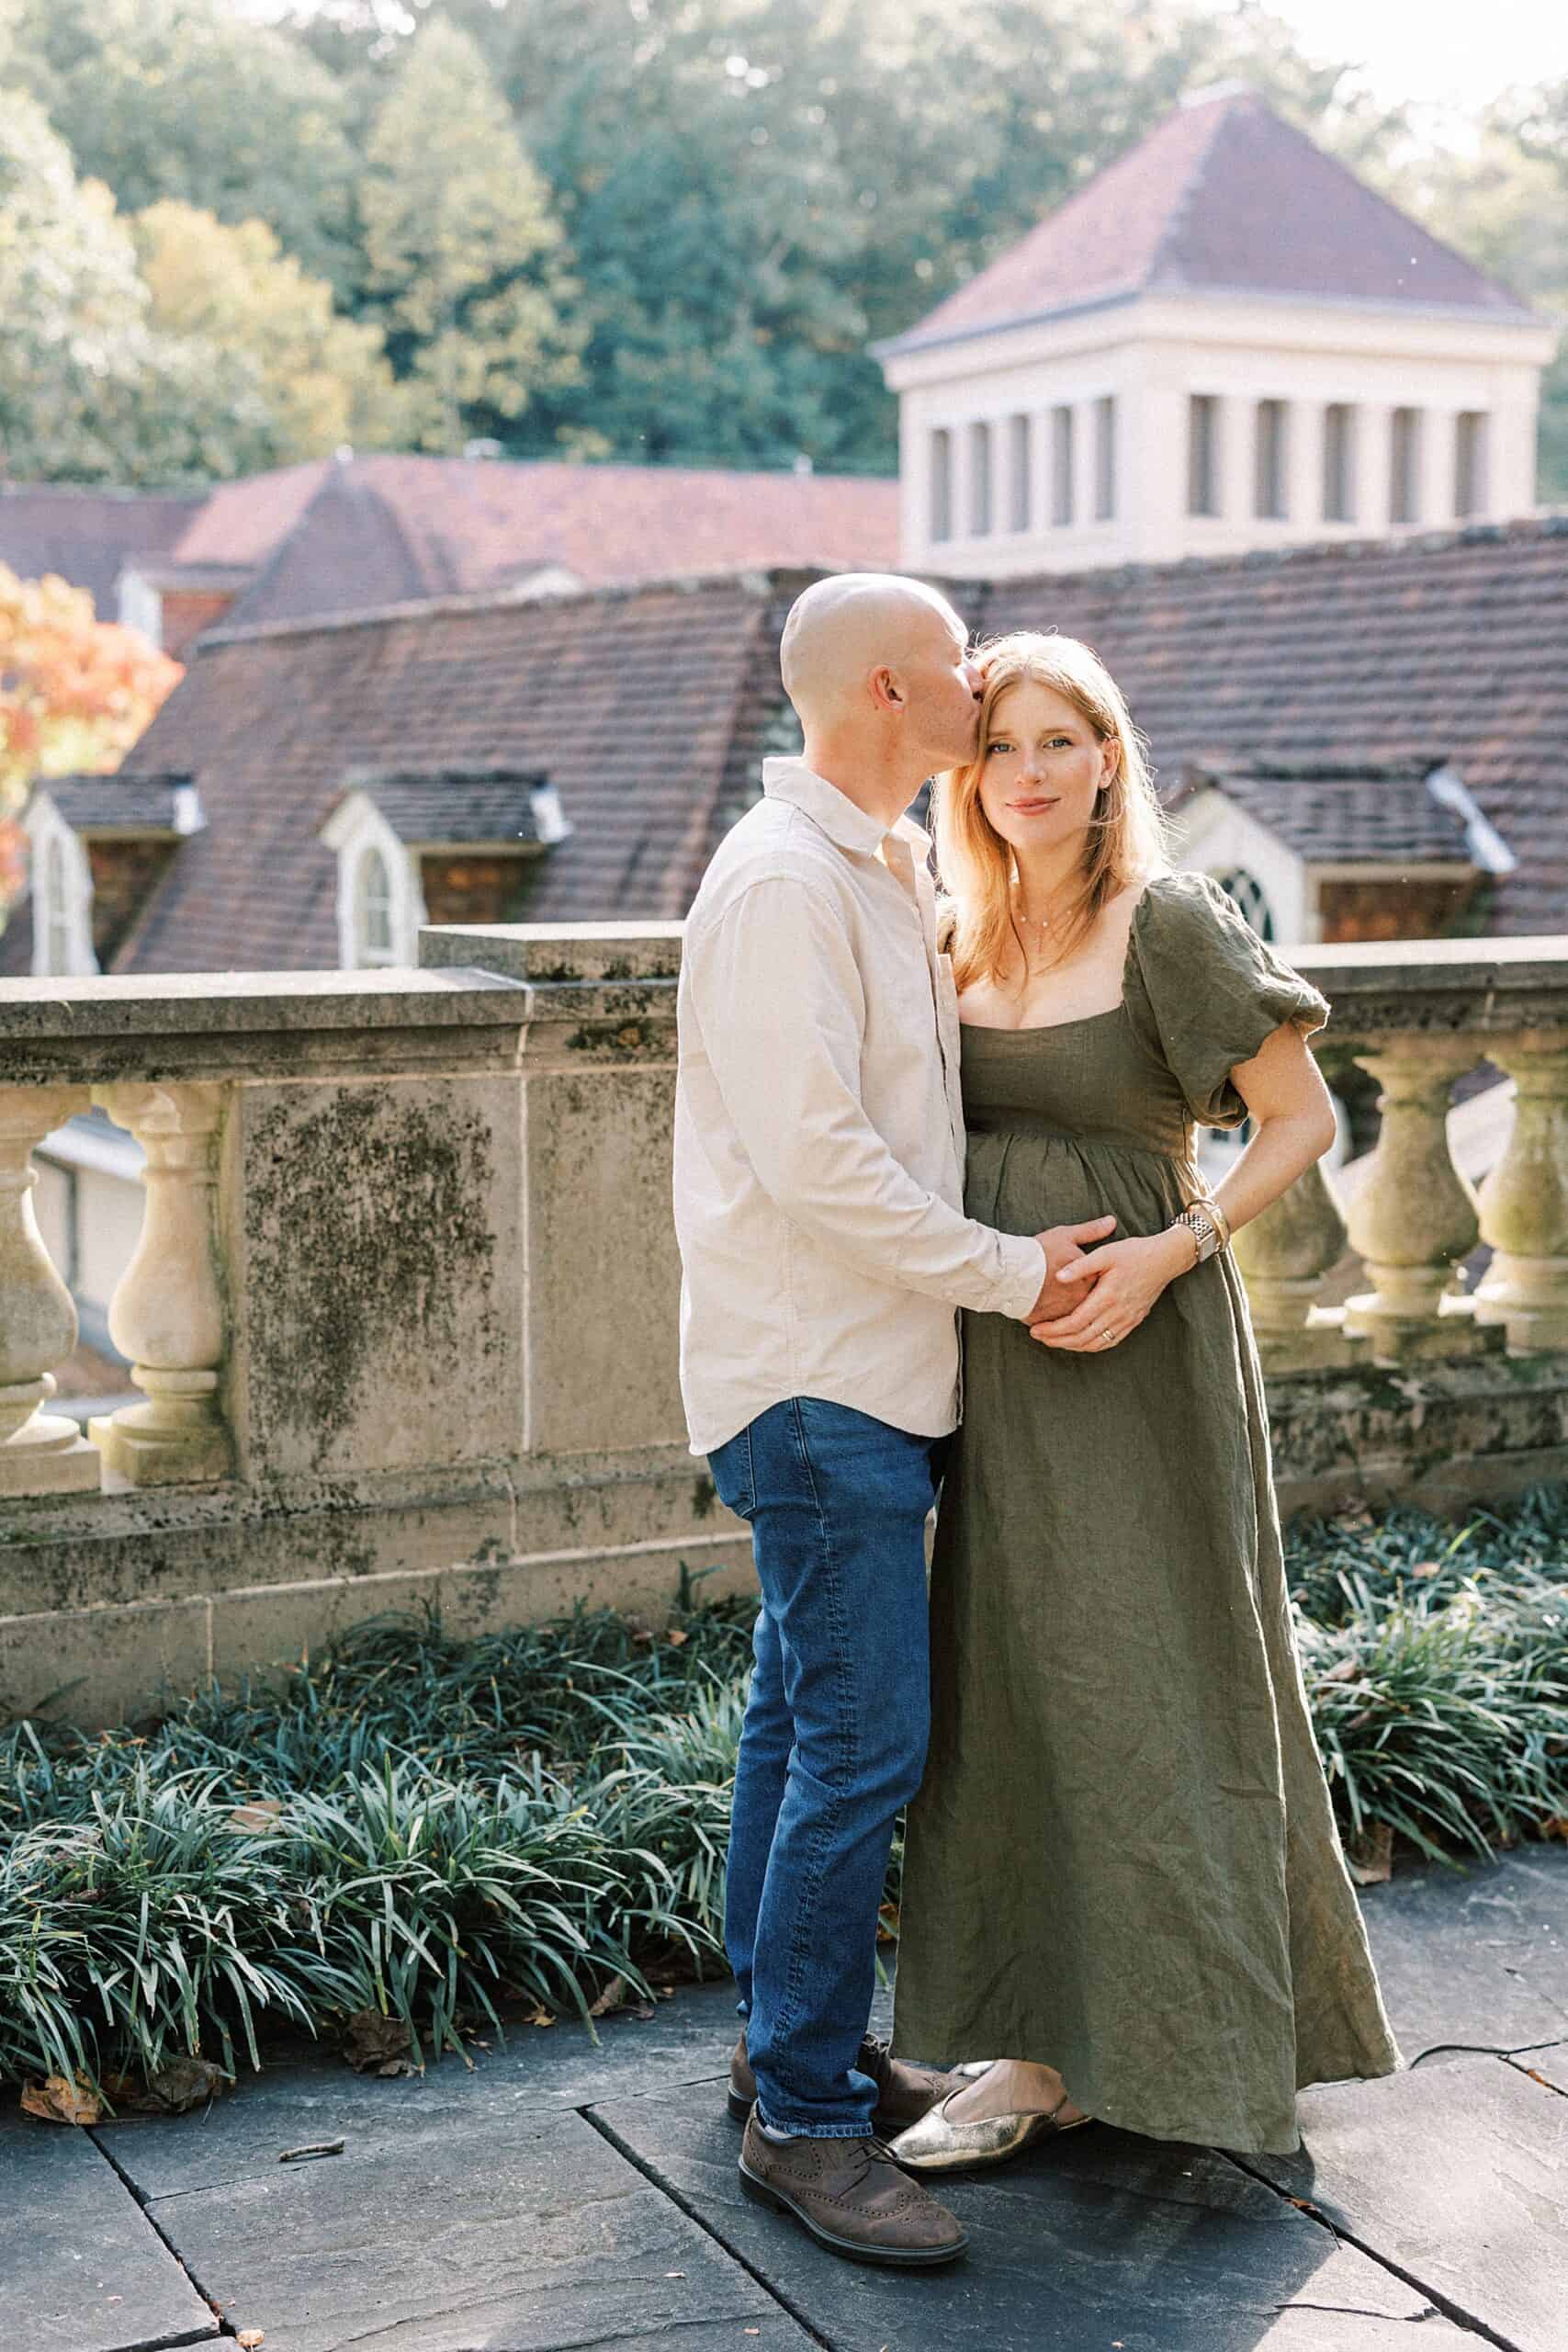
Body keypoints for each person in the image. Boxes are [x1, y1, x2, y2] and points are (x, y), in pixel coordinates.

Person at [884, 630, 1401, 2175]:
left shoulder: (1167, 920)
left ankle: (1203, 2041)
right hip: (988, 1358)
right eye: (1003, 746)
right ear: (968, 772)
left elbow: (1300, 1123)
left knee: (1157, 1684)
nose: (1030, 773)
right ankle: (1042, 2052)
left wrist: (1173, 1256)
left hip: (1139, 1357)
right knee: (1014, 1689)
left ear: (1110, 757)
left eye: (1061, 741)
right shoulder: (954, 931)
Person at [672, 577, 1117, 2267]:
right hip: (817, 1382)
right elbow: (821, 1163)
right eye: (959, 668)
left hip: (860, 1372)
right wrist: (1011, 1272)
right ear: (884, 689)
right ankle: (803, 2123)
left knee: (799, 1726)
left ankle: (790, 2049)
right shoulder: (786, 883)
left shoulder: (875, 858)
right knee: (861, 1745)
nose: (984, 680)